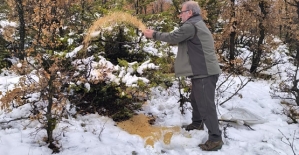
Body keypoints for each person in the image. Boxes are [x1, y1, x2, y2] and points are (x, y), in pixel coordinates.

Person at [142, 0, 223, 151]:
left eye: (182, 12)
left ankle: (215, 139)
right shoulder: (196, 23)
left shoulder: (191, 25)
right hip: (202, 71)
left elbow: (173, 37)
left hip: (205, 72)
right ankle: (197, 123)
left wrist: (153, 34)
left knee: (206, 105)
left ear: (190, 12)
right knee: (195, 99)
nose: (180, 15)